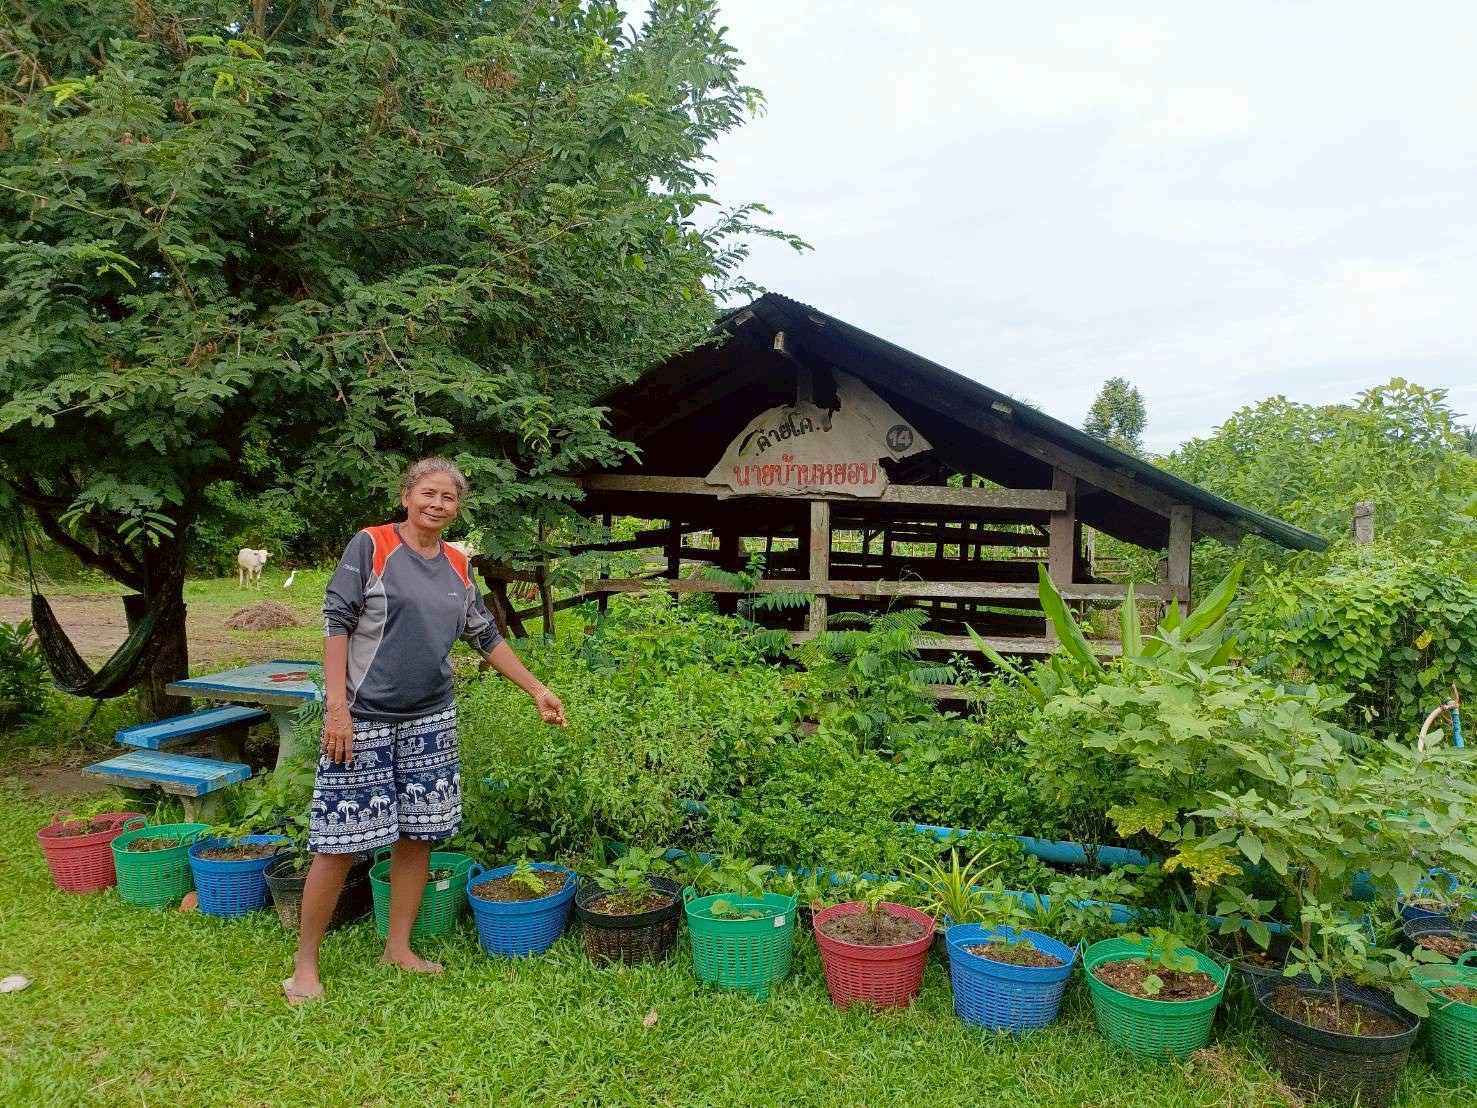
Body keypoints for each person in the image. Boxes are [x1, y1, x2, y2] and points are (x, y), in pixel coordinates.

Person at [284, 457, 566, 1004]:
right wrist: (336, 708)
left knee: (420, 834)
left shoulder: (458, 565)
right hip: (362, 716)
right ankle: (304, 967)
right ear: (406, 495)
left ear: (458, 508)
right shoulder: (370, 546)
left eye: (449, 498)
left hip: (429, 719)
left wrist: (537, 690)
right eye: (428, 493)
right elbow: (336, 622)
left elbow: (485, 635)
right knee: (339, 843)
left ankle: (398, 947)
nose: (437, 505)